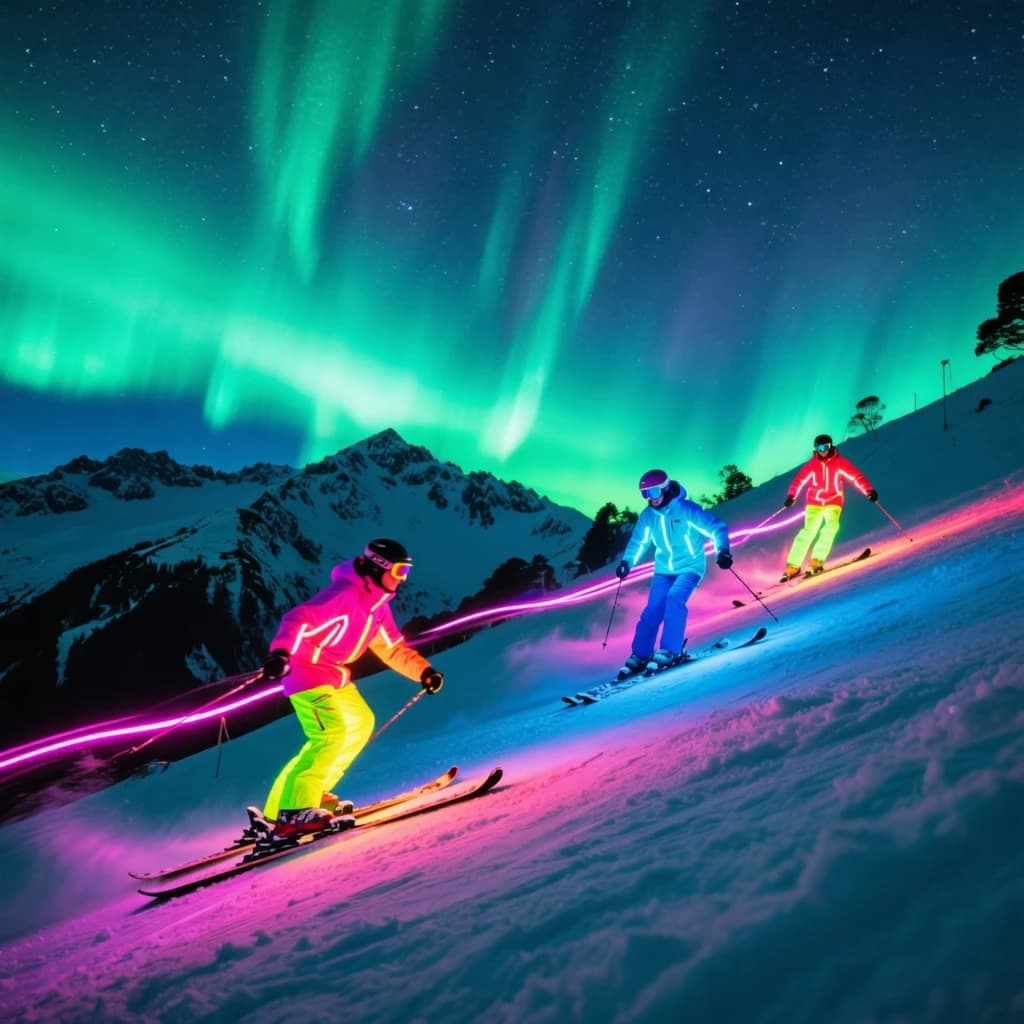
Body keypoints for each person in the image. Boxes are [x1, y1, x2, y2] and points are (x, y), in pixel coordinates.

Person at [257, 538, 444, 843]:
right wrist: (281, 653)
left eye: (406, 572)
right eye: (399, 571)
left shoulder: (377, 608)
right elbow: (297, 619)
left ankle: (298, 800)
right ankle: (294, 812)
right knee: (330, 735)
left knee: (360, 722)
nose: (403, 579)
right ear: (378, 567)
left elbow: (392, 649)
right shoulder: (345, 594)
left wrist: (423, 671)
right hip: (305, 672)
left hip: (333, 675)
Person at [615, 469, 732, 673]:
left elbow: (717, 527)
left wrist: (723, 551)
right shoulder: (648, 516)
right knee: (653, 609)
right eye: (645, 494)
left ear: (665, 488)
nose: (650, 498)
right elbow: (638, 542)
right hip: (663, 570)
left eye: (653, 492)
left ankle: (670, 650)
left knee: (674, 599)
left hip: (690, 567)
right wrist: (627, 562)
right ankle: (640, 655)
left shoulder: (686, 509)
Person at [780, 433, 877, 580]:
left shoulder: (840, 463)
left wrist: (868, 490)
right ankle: (793, 565)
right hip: (814, 502)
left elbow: (856, 477)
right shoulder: (812, 466)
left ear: (831, 446)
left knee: (830, 528)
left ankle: (817, 560)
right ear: (816, 449)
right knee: (808, 531)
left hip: (833, 501)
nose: (823, 451)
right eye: (820, 448)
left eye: (825, 447)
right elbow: (798, 481)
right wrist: (792, 496)